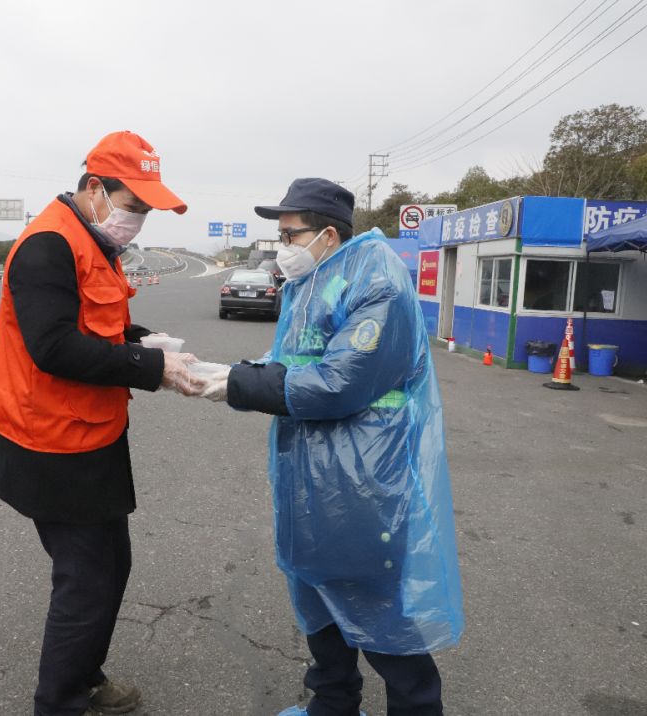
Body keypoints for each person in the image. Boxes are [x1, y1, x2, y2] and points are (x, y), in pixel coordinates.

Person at [199, 178, 464, 716]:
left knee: (382, 612)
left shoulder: (377, 281)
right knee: (319, 603)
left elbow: (340, 380)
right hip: (311, 476)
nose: (282, 246)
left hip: (367, 482)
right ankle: (332, 705)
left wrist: (239, 383)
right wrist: (235, 371)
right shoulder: (314, 279)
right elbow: (296, 360)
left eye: (289, 234)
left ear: (326, 233)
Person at [0, 131, 203, 716]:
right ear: (95, 188)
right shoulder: (48, 245)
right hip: (53, 441)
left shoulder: (88, 240)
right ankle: (60, 702)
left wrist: (140, 340)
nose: (139, 220)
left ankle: (84, 677)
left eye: (147, 212)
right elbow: (52, 347)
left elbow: (92, 328)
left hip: (90, 432)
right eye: (134, 205)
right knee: (86, 579)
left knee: (108, 566)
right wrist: (149, 367)